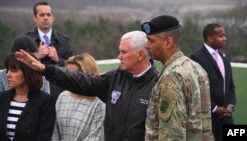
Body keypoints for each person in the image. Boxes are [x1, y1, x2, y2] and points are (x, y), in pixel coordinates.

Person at [15, 30, 160, 141]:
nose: (118, 57)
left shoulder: (159, 85)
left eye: (123, 52)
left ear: (140, 55)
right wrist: (46, 69)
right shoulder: (115, 79)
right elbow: (82, 80)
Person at [141, 15, 214, 140]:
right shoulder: (196, 68)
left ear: (168, 42)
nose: (147, 45)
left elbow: (171, 135)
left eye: (151, 41)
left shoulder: (171, 78)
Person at [190, 23, 236, 141]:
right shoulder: (196, 58)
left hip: (227, 118)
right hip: (207, 119)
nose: (224, 38)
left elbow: (230, 85)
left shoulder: (225, 56)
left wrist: (231, 105)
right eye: (221, 36)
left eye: (224, 35)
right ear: (210, 37)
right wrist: (215, 108)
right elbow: (195, 90)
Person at [0, 53, 56, 141]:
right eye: (7, 70)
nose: (8, 75)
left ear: (27, 73)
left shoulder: (45, 101)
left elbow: (44, 136)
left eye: (13, 71)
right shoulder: (1, 98)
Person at [25, 1, 73, 101]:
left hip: (60, 94)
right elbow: (18, 67)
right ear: (35, 18)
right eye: (42, 15)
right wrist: (37, 57)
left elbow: (72, 69)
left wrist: (58, 59)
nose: (46, 18)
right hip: (33, 93)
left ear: (52, 17)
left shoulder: (64, 41)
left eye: (48, 15)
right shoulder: (26, 40)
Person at [52, 53, 105, 141]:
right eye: (67, 74)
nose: (69, 78)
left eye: (73, 75)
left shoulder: (99, 103)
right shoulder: (63, 97)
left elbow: (94, 137)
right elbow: (54, 132)